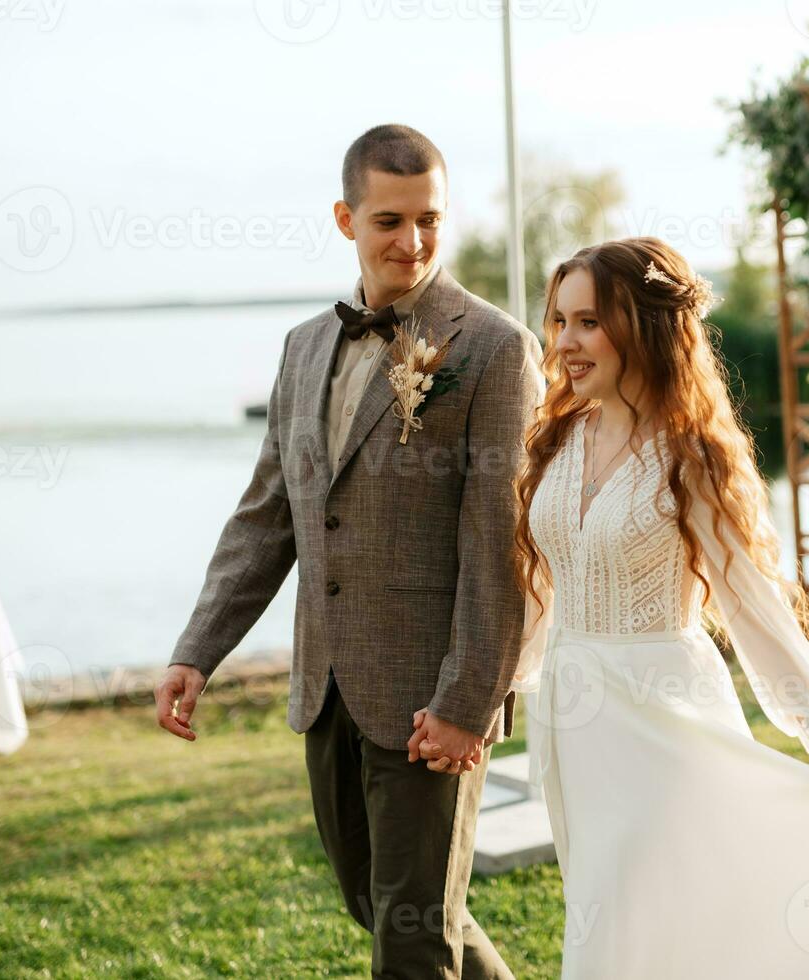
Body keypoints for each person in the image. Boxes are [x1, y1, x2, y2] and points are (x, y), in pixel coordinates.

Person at [424, 236, 809, 977]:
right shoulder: (555, 439)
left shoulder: (691, 455)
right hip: (574, 722)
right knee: (609, 911)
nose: (565, 343)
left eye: (588, 322)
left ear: (644, 328)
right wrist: (480, 700)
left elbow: (752, 604)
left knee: (666, 915)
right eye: (559, 322)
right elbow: (535, 595)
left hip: (666, 715)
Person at [154, 124, 541, 980]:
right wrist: (198, 650)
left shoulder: (494, 348)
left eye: (430, 220)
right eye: (389, 222)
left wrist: (469, 701)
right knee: (380, 904)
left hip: (430, 701)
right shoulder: (302, 349)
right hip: (326, 688)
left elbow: (502, 547)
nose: (413, 242)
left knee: (409, 939)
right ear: (346, 219)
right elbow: (268, 519)